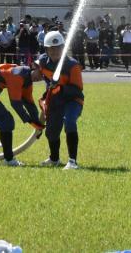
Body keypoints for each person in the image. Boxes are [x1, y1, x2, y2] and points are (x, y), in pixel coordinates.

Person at [37, 31, 84, 170]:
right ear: (46, 49)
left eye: (58, 48)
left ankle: (72, 162)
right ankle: (54, 159)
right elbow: (36, 67)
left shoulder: (72, 65)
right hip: (55, 100)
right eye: (51, 48)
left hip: (73, 100)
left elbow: (77, 89)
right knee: (51, 131)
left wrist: (60, 88)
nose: (55, 51)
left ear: (63, 48)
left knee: (69, 122)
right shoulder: (43, 61)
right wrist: (34, 70)